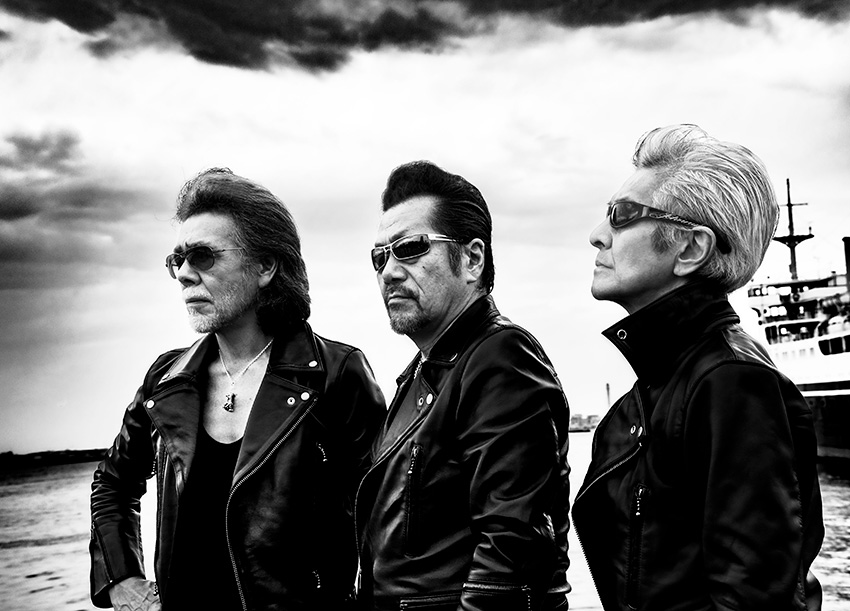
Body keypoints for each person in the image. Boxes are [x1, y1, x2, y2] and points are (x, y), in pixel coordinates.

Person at [89, 168, 386, 610]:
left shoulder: (335, 374)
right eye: (177, 260)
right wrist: (122, 579)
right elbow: (113, 482)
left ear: (265, 266)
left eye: (203, 256)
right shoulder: (166, 381)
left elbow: (386, 517)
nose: (184, 274)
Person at [573, 125, 824, 611]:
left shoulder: (732, 382)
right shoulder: (669, 379)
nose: (597, 235)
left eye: (621, 215)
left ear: (690, 249)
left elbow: (755, 598)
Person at [355, 160, 571, 610]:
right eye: (380, 257)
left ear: (472, 259)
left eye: (410, 248)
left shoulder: (501, 359)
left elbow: (512, 555)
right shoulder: (424, 374)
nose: (389, 271)